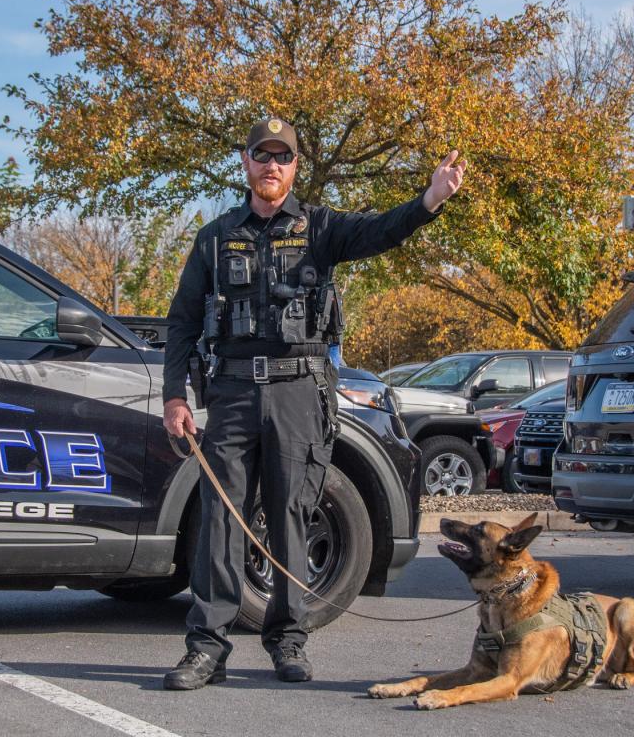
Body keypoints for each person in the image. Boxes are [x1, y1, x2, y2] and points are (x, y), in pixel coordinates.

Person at [161, 117, 466, 690]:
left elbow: (382, 230)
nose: (271, 165)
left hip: (300, 391)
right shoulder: (215, 235)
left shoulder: (321, 228)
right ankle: (207, 648)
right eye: (261, 155)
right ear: (246, 163)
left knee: (291, 517)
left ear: (294, 166)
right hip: (230, 395)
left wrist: (430, 199)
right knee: (220, 522)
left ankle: (288, 641)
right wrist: (174, 395)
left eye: (282, 156)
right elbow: (181, 321)